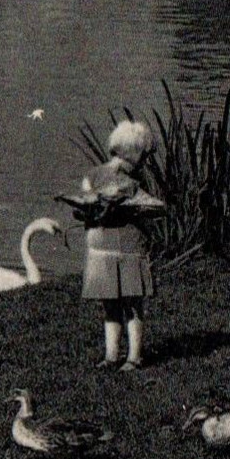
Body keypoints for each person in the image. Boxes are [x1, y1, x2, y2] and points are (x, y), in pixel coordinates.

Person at [75, 120, 162, 371]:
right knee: (132, 305)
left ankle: (111, 354)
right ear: (134, 155)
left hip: (99, 248)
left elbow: (81, 210)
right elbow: (154, 207)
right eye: (144, 156)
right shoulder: (135, 181)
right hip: (129, 248)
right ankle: (133, 356)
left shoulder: (91, 176)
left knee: (110, 305)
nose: (144, 162)